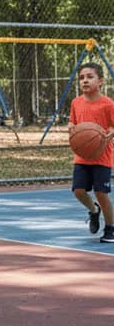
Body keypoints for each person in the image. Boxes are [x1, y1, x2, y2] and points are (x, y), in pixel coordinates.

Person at [68, 62, 114, 243]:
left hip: (102, 156)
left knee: (101, 192)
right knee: (78, 191)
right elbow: (73, 122)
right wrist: (71, 129)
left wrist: (110, 132)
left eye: (90, 77)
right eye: (81, 78)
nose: (85, 81)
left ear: (100, 81)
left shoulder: (108, 104)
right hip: (82, 156)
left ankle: (110, 227)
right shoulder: (76, 103)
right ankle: (94, 211)